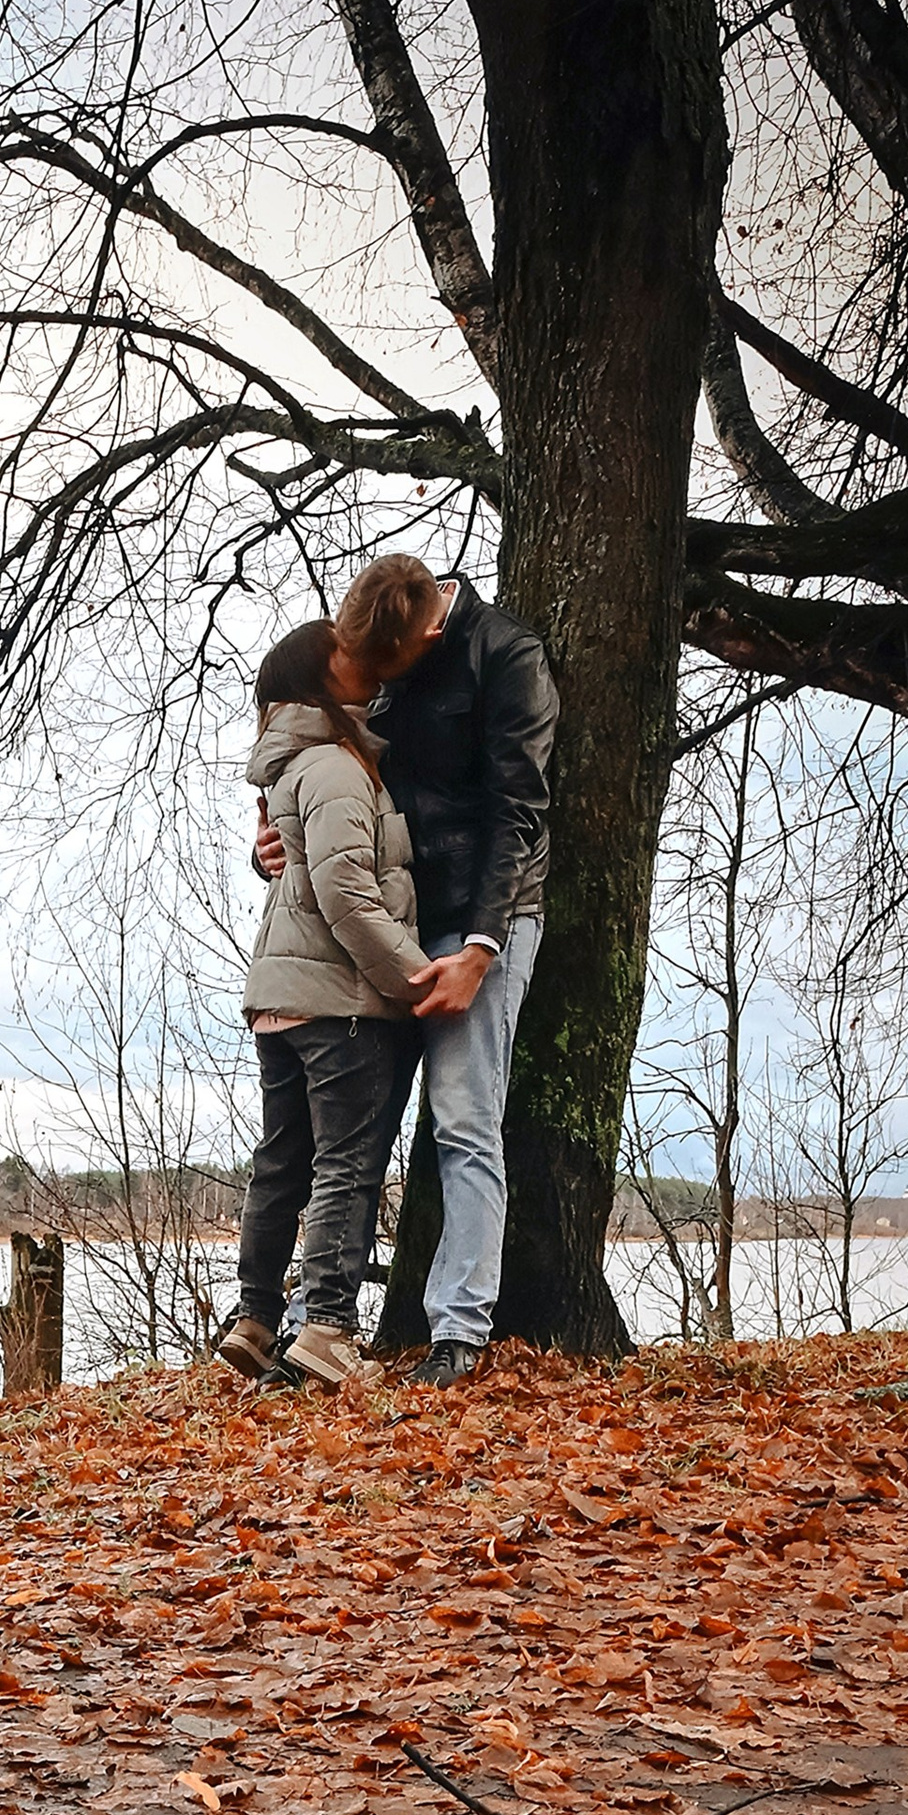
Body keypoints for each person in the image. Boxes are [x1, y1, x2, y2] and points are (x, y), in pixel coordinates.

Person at [256, 554, 556, 1384]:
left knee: (463, 1123)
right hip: (387, 928)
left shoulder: (506, 657)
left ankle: (458, 1332)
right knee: (353, 1135)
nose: (368, 688)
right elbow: (318, 761)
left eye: (381, 674)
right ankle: (314, 1326)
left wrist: (482, 948)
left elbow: (518, 813)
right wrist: (274, 844)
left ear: (428, 630)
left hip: (477, 924)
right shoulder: (376, 636)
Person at [211, 619, 433, 1395]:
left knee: (281, 1164)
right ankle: (329, 1329)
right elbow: (345, 892)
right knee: (346, 1164)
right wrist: (415, 975)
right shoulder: (337, 769)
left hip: (278, 1000)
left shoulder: (289, 773)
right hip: (338, 1002)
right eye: (342, 654)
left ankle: (257, 1319)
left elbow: (304, 873)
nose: (361, 660)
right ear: (315, 683)